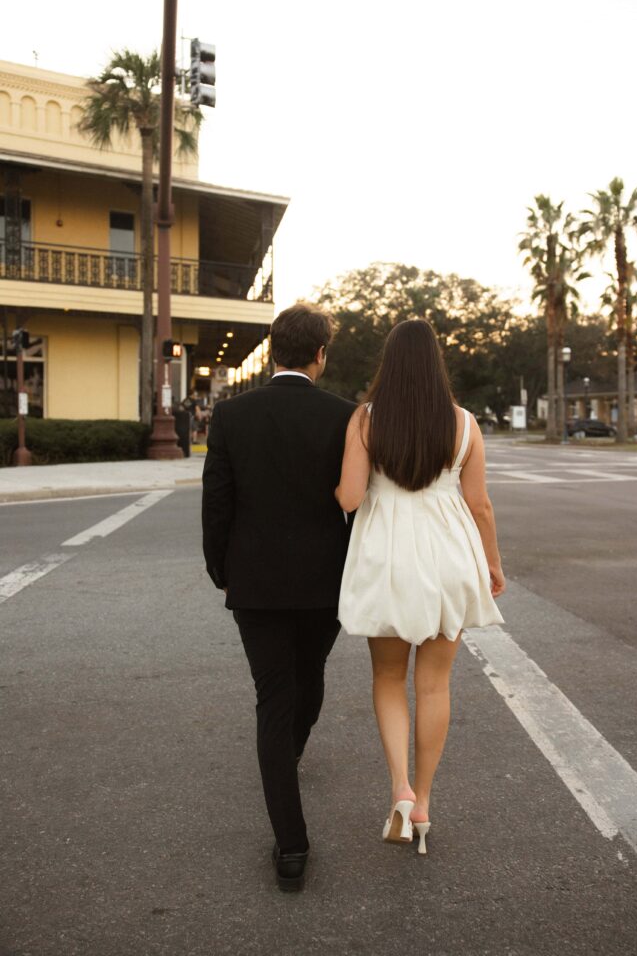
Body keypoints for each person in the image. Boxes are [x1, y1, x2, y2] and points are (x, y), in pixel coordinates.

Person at [335, 319, 505, 855]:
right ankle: (426, 801)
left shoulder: (365, 419)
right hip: (450, 556)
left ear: (390, 362)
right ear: (436, 365)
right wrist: (493, 565)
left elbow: (348, 498)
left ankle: (400, 791)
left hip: (388, 559)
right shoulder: (464, 424)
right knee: (435, 685)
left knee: (388, 677)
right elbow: (479, 504)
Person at [202, 304, 355, 892]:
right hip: (326, 581)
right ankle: (287, 756)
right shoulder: (344, 416)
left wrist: (221, 568)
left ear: (272, 351)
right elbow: (355, 503)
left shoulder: (232, 414)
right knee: (309, 672)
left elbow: (218, 500)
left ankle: (292, 846)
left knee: (273, 694)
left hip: (256, 582)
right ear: (321, 354)